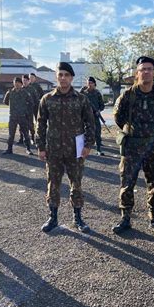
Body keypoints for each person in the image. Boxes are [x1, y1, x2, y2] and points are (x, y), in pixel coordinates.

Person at [111, 56, 154, 239]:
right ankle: (125, 218)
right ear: (137, 73)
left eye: (149, 69)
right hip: (132, 148)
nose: (146, 72)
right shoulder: (128, 95)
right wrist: (132, 132)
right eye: (142, 69)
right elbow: (118, 117)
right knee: (127, 184)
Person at [37, 62, 96, 233]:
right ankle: (53, 217)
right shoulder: (47, 99)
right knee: (53, 184)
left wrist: (88, 145)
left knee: (76, 184)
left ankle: (78, 218)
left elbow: (90, 123)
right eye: (60, 74)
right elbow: (40, 124)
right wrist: (40, 147)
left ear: (71, 78)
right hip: (53, 150)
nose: (63, 78)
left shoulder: (81, 99)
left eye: (66, 75)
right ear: (57, 76)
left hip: (74, 150)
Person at [2, 77, 34, 155]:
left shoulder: (25, 93)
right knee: (11, 134)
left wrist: (26, 111)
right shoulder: (10, 92)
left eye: (18, 82)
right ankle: (9, 149)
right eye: (15, 82)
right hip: (13, 116)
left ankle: (28, 149)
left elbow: (31, 103)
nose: (16, 84)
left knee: (25, 133)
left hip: (22, 116)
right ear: (13, 83)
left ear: (21, 84)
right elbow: (5, 102)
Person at [80, 77, 105, 155]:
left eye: (91, 83)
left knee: (97, 132)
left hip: (95, 116)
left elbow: (102, 105)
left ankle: (98, 149)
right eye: (88, 82)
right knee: (83, 133)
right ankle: (82, 149)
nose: (89, 84)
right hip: (85, 116)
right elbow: (79, 103)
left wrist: (98, 111)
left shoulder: (97, 93)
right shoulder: (83, 93)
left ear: (94, 84)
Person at [22, 74, 38, 144]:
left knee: (30, 124)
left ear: (29, 81)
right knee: (21, 125)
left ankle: (32, 138)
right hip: (21, 111)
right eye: (23, 80)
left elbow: (36, 99)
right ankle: (21, 138)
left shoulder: (32, 89)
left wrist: (33, 105)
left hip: (30, 110)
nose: (24, 82)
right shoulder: (20, 89)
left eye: (26, 80)